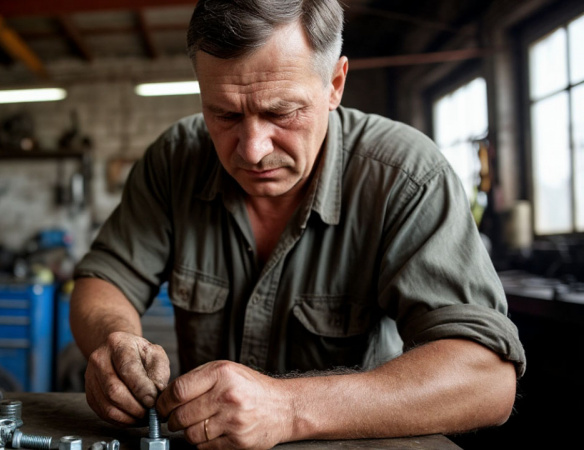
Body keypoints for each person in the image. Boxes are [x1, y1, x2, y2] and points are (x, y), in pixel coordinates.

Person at [70, 0, 526, 448]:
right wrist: (114, 340)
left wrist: (288, 408)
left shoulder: (407, 177)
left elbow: (486, 380)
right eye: (225, 114)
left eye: (281, 112)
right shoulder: (175, 159)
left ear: (335, 84)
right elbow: (105, 278)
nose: (251, 149)